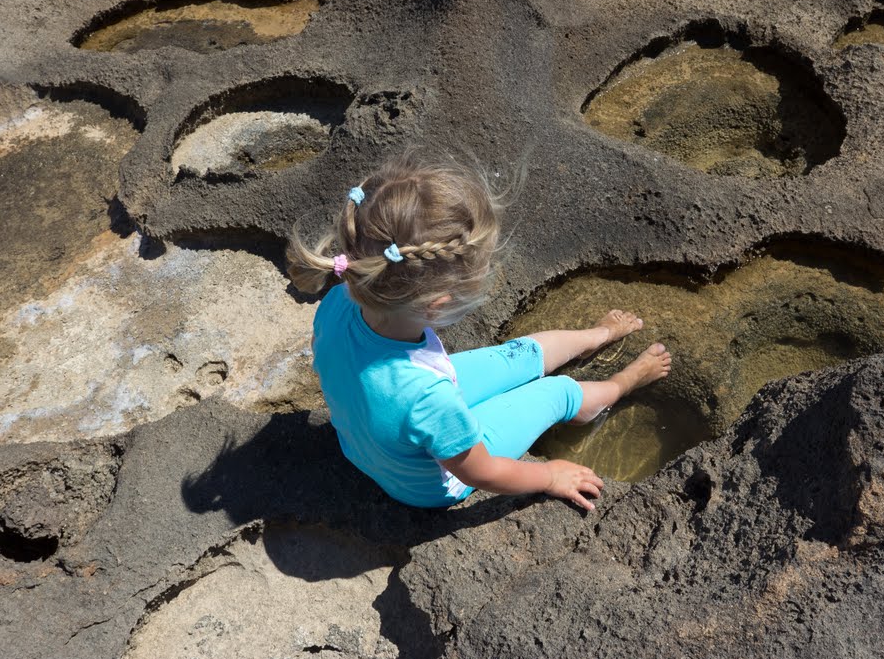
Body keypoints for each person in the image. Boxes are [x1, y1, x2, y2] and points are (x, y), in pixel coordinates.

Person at [286, 153, 672, 511]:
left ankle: (597, 337)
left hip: (382, 430)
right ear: (436, 305)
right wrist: (550, 475)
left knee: (519, 356)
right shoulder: (428, 401)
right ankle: (620, 384)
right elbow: (482, 473)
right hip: (429, 483)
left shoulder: (339, 300)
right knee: (556, 390)